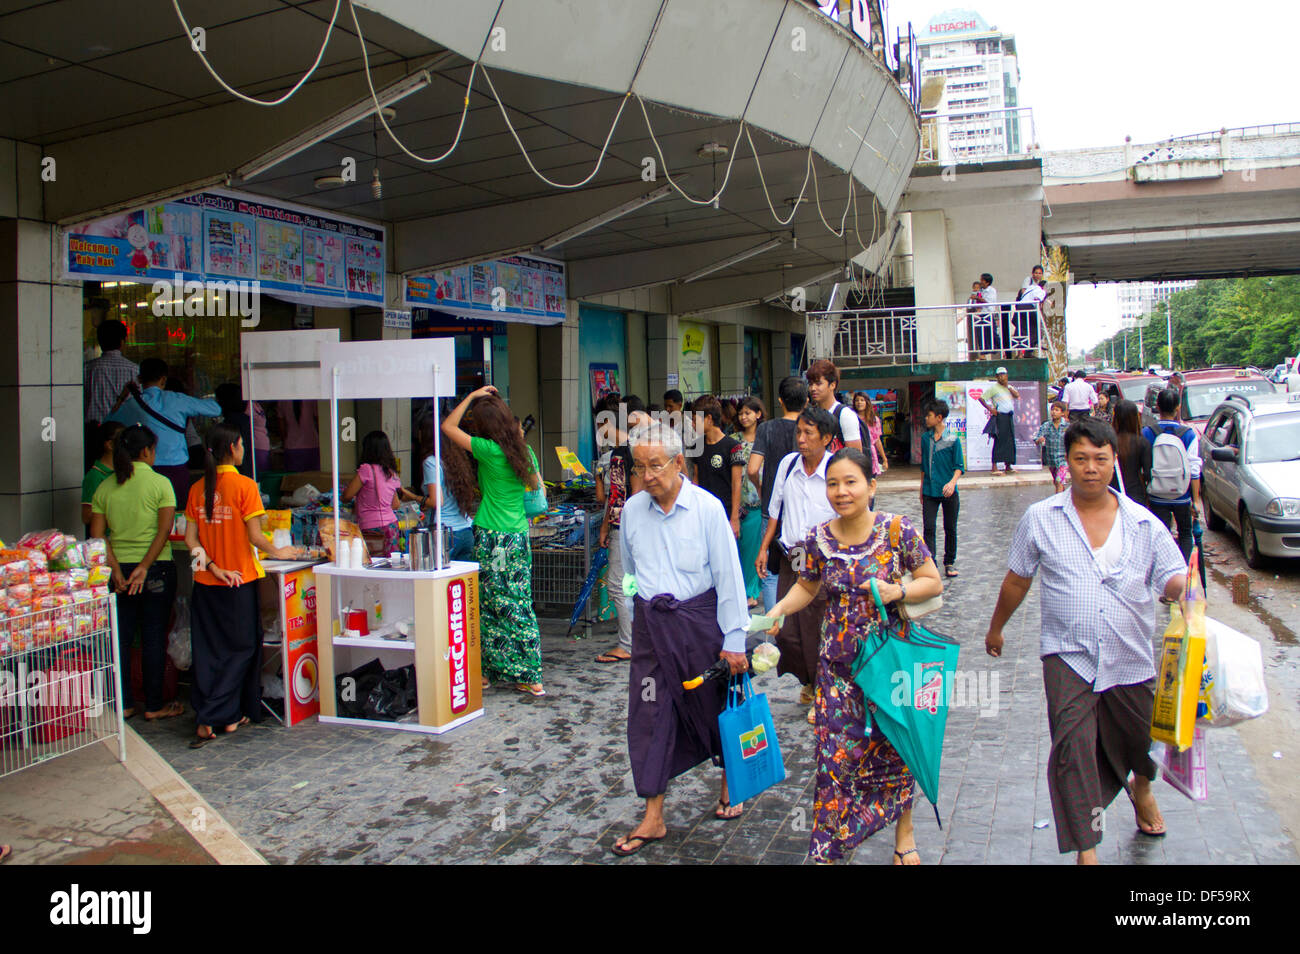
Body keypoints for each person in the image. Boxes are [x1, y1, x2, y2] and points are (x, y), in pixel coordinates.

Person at [984, 418, 1187, 863]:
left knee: (1140, 741)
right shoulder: (1041, 518)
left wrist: (1184, 591)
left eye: (1100, 459)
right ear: (1067, 464)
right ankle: (1087, 849)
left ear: (1115, 462)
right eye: (1081, 459)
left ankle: (1143, 786)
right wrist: (997, 626)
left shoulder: (1142, 523)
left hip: (1130, 656)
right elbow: (1018, 580)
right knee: (1072, 752)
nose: (1090, 468)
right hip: (1067, 655)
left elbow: (1169, 575)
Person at [767, 448, 943, 864]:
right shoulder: (817, 539)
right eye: (833, 483)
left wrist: (898, 591)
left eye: (851, 482)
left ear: (871, 486)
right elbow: (807, 587)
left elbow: (932, 582)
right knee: (834, 758)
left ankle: (905, 833)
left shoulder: (898, 531)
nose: (841, 492)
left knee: (895, 750)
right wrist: (777, 610)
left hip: (889, 665)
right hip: (836, 670)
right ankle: (830, 845)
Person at [611, 422, 750, 855]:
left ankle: (731, 781)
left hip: (700, 625)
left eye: (655, 465)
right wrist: (637, 614)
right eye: (640, 467)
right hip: (653, 629)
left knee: (715, 705)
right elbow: (630, 575)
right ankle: (653, 816)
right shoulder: (632, 510)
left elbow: (729, 577)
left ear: (678, 463)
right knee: (649, 714)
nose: (647, 475)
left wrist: (735, 640)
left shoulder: (707, 509)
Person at [184, 423, 298, 748]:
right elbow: (255, 537)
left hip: (207, 582)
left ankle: (230, 714)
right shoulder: (245, 486)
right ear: (233, 448)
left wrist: (214, 568)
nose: (244, 449)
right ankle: (212, 715)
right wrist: (280, 551)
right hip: (238, 581)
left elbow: (192, 540)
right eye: (242, 444)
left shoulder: (197, 488)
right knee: (243, 649)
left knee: (209, 650)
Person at [443, 386, 546, 696]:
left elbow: (448, 427)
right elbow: (536, 487)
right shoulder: (523, 451)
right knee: (513, 601)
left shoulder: (488, 451)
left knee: (495, 603)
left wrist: (472, 397)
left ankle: (505, 672)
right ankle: (517, 672)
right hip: (517, 537)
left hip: (494, 539)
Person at [89, 424, 180, 722]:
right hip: (155, 570)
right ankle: (154, 705)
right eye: (153, 449)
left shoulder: (105, 487)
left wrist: (115, 568)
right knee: (154, 637)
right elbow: (164, 531)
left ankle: (124, 704)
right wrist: (144, 567)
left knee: (121, 638)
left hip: (118, 573)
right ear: (146, 451)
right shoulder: (160, 484)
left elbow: (98, 535)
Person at [757, 407, 837, 724]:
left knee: (817, 626)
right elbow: (775, 509)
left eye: (808, 434)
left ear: (827, 438)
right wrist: (764, 548)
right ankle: (807, 679)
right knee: (788, 631)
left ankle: (822, 690)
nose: (801, 440)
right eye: (799, 433)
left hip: (825, 557)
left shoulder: (836, 469)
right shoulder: (789, 464)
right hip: (795, 555)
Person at [107, 358, 221, 506]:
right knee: (177, 512)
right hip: (176, 470)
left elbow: (109, 422)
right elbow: (215, 409)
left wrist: (122, 397)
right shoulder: (177, 399)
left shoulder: (132, 405)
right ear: (163, 379)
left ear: (140, 379)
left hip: (146, 470)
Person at [748, 377, 808, 613]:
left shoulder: (766, 428)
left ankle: (774, 629)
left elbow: (752, 468)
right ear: (805, 402)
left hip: (771, 512)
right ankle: (796, 621)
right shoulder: (808, 428)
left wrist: (762, 488)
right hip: (799, 513)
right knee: (798, 568)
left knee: (771, 572)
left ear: (780, 401)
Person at [595, 396, 647, 664]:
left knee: (618, 585)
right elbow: (615, 496)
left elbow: (629, 496)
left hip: (627, 527)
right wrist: (605, 526)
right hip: (624, 525)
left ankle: (628, 643)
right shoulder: (627, 450)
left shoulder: (626, 452)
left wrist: (617, 528)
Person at [1142, 388, 1202, 562]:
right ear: (1178, 407)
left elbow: (1145, 466)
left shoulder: (1147, 432)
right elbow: (1194, 469)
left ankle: (1165, 570)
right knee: (1185, 533)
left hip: (1157, 494)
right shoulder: (1188, 434)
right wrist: (1196, 500)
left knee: (1162, 534)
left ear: (1157, 407)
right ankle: (1183, 571)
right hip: (1182, 495)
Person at [343, 430, 426, 556]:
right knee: (390, 565)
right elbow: (396, 505)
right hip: (391, 526)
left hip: (371, 527)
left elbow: (347, 496)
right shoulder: (391, 473)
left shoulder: (366, 469)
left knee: (372, 567)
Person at [418, 415, 478, 563]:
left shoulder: (431, 462)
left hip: (446, 534)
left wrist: (413, 497)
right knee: (461, 583)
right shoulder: (456, 460)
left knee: (441, 583)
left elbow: (437, 501)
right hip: (465, 530)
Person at [83, 319, 138, 470]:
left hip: (93, 432)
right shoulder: (134, 370)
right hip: (124, 433)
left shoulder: (87, 369)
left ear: (100, 342)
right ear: (122, 342)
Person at [689, 396, 743, 541]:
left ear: (709, 418)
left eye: (695, 420)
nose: (693, 424)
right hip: (702, 512)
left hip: (725, 511)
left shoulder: (733, 446)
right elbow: (696, 478)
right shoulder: (696, 445)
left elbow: (737, 484)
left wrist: (735, 519)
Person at [920, 400, 964, 578]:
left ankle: (949, 562)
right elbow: (923, 466)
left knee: (950, 527)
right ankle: (931, 562)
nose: (926, 418)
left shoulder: (953, 440)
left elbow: (959, 466)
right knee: (929, 527)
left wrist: (952, 482)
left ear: (939, 418)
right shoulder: (925, 439)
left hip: (949, 491)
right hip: (930, 490)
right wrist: (921, 488)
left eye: (929, 415)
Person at [733, 396, 766, 607]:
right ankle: (738, 589)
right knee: (737, 550)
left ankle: (751, 592)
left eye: (748, 412)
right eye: (741, 413)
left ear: (758, 414)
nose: (744, 417)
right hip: (737, 501)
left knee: (754, 550)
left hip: (757, 501)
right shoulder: (733, 439)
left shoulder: (765, 439)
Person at [805, 359, 862, 452]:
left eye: (818, 383)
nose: (813, 388)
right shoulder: (811, 415)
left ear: (832, 385)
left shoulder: (845, 415)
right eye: (810, 384)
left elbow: (855, 458)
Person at [81, 420, 125, 533]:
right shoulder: (95, 475)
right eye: (122, 441)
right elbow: (86, 517)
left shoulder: (123, 471)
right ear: (110, 445)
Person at [1110, 399, 1153, 510]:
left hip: (1111, 494)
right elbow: (1149, 473)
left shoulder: (1108, 442)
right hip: (1136, 494)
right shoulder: (1142, 443)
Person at [978, 367, 1019, 474]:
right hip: (1000, 417)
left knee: (1010, 441)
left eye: (1004, 374)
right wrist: (991, 409)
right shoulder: (994, 388)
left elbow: (1017, 395)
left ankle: (1008, 466)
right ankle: (994, 466)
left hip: (1009, 416)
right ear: (996, 377)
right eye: (999, 375)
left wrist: (1008, 387)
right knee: (999, 440)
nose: (1002, 377)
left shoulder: (1009, 387)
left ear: (1007, 375)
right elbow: (981, 398)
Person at [215, 383, 254, 478]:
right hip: (247, 468)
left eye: (218, 399)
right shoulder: (245, 419)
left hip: (240, 469)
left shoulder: (231, 421)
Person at [1035, 401, 1070, 494]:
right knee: (1057, 481)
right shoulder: (1046, 426)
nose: (1053, 412)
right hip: (1051, 459)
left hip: (1063, 459)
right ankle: (1063, 496)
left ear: (1062, 413)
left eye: (1057, 410)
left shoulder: (1067, 426)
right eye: (1052, 410)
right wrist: (1039, 440)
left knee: (1059, 480)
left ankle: (1058, 502)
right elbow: (1036, 438)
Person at [854, 391, 889, 482]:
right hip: (855, 453)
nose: (859, 402)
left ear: (867, 402)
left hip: (870, 455)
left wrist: (884, 459)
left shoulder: (874, 420)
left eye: (862, 400)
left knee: (870, 483)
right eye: (857, 400)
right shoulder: (851, 418)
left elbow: (877, 440)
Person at [279, 400, 320, 472]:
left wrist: (284, 441)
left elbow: (282, 426)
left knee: (294, 480)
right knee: (313, 478)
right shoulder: (311, 399)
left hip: (292, 446)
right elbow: (319, 420)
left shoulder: (283, 400)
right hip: (312, 443)